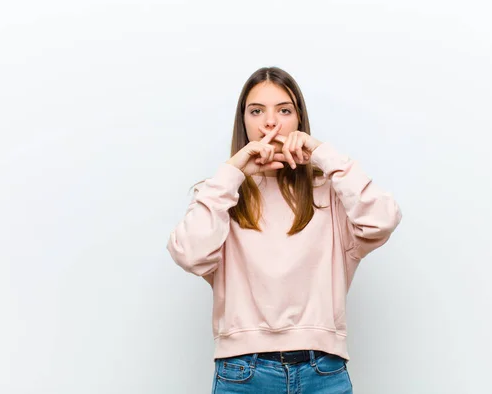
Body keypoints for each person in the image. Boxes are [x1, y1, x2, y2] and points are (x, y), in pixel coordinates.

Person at [166, 66, 402, 393]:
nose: (270, 122)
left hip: (323, 371)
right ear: (244, 122)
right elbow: (189, 254)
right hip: (243, 373)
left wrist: (322, 154)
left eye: (284, 110)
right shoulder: (221, 193)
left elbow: (382, 218)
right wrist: (232, 172)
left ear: (299, 121)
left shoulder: (331, 193)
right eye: (257, 110)